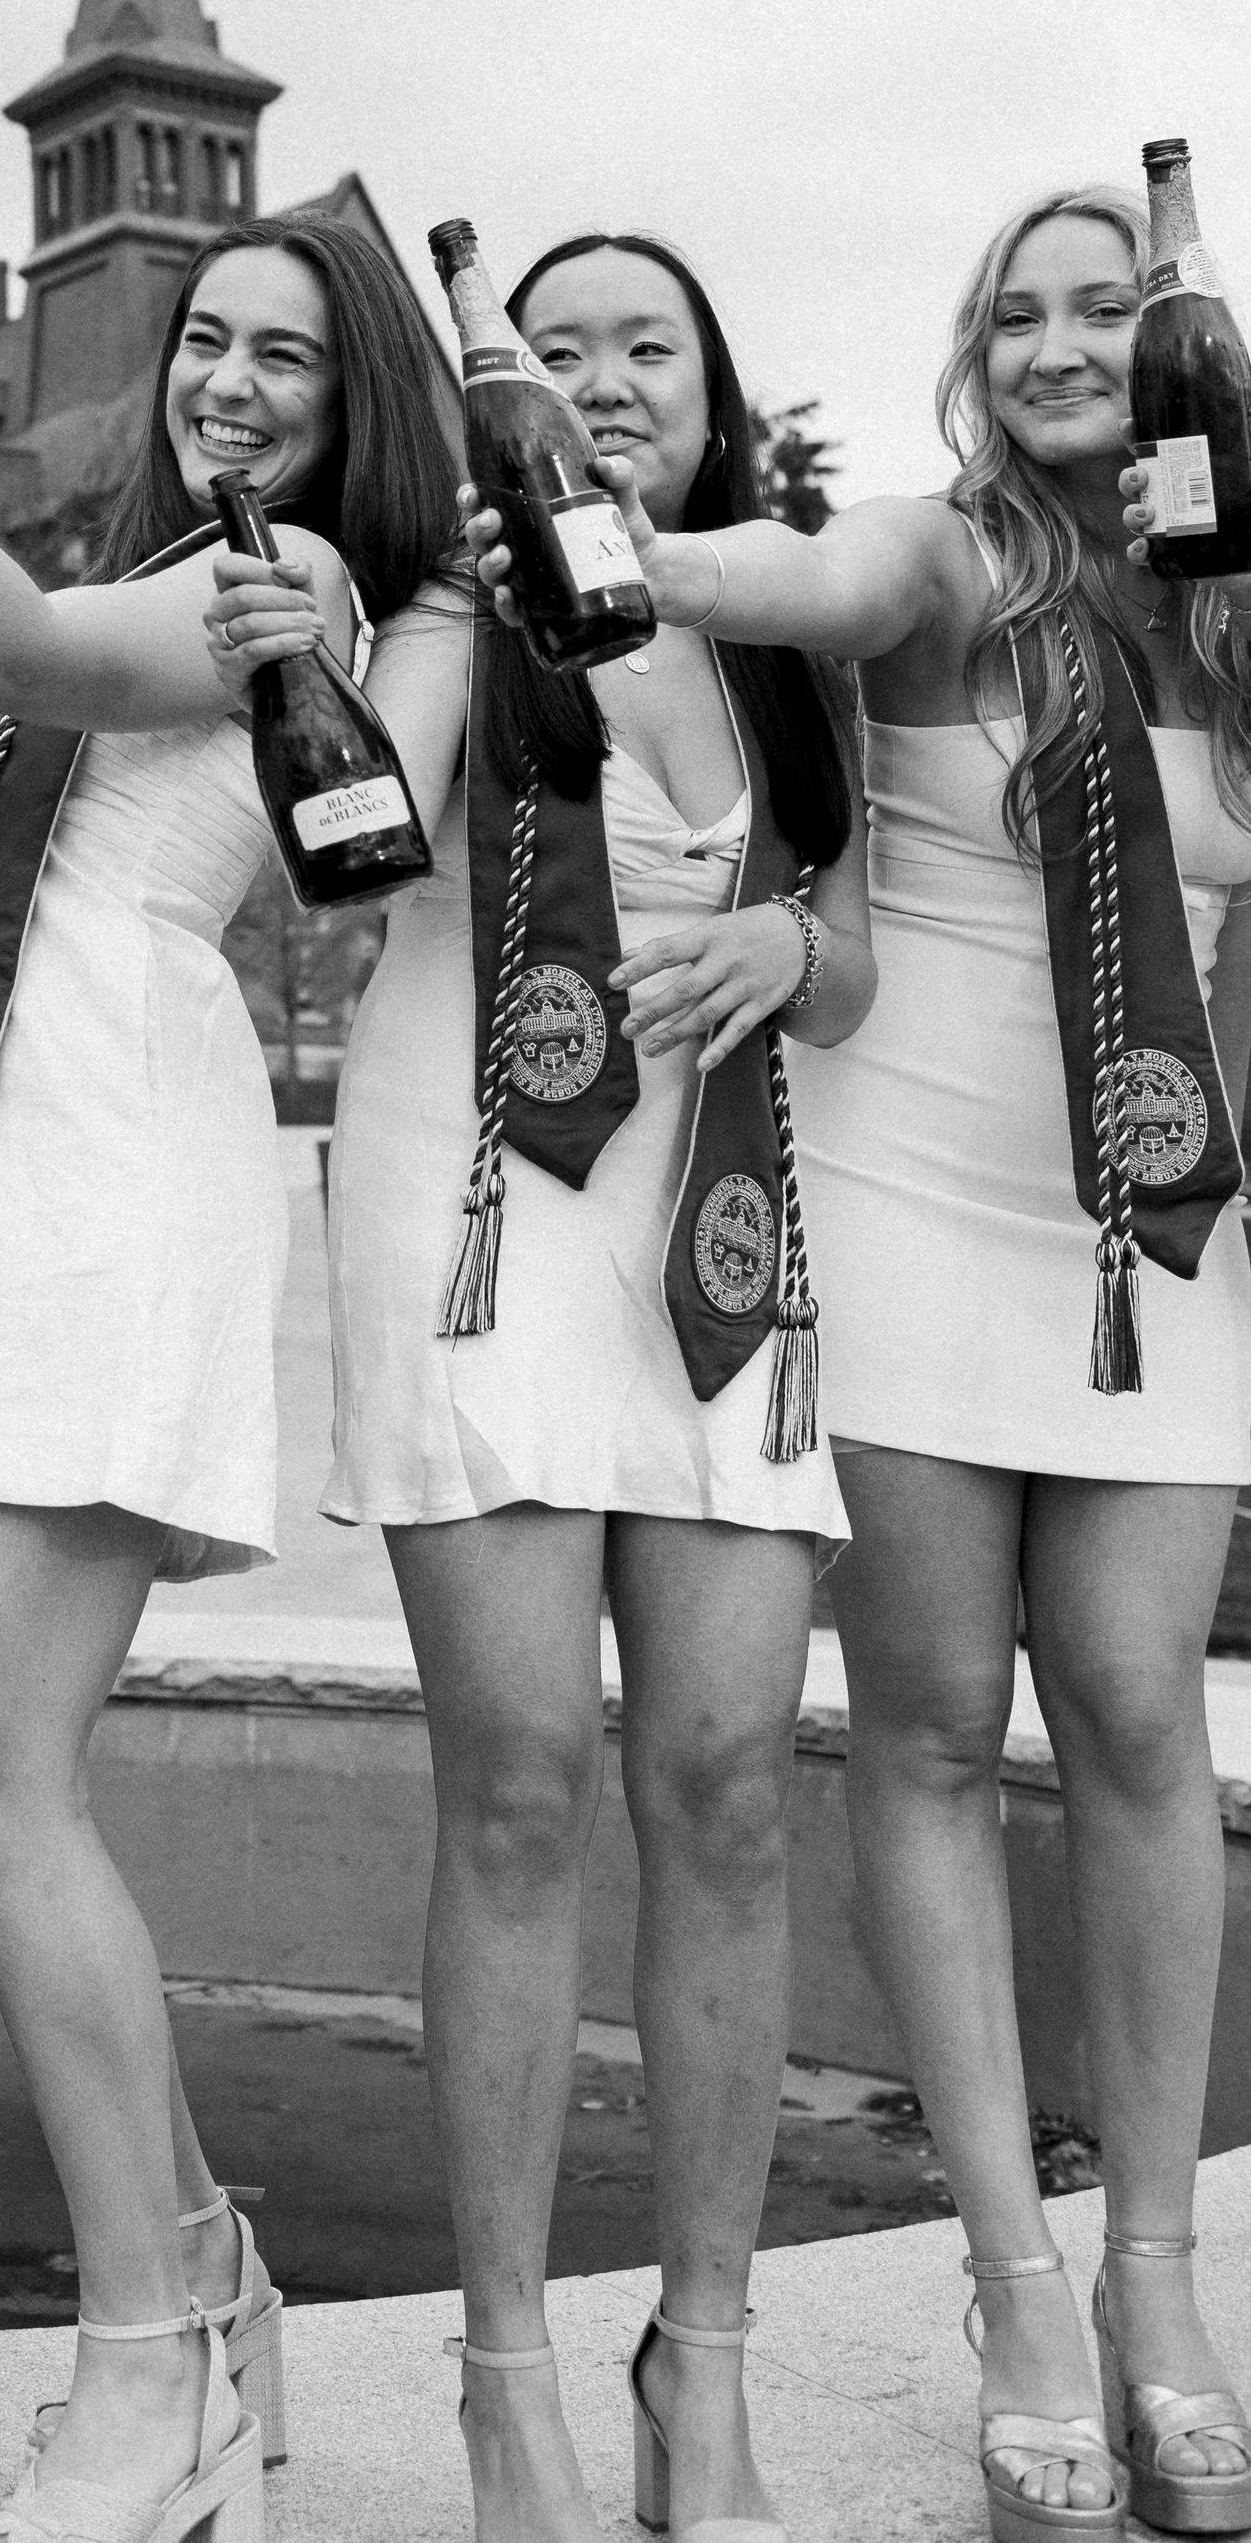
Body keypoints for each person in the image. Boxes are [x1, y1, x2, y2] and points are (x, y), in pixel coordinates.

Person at [471, 186, 1251, 2543]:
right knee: (920, 1733)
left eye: (1098, 307)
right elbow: (768, 582)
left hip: (1148, 1211)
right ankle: (1007, 2276)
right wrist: (599, 533)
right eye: (1006, 312)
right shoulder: (939, 565)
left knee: (1134, 1716)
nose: (1047, 343)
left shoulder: (1229, 606)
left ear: (1176, 339)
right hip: (907, 1194)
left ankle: (1153, 2282)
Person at [0, 197, 452, 2543]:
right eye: (203, 340)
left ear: (353, 400)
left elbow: (13, 640)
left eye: (283, 354)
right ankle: (210, 2285)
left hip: (99, 1182)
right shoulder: (182, 564)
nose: (226, 381)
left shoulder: (278, 597)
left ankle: (139, 2358)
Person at [218, 232, 871, 2543]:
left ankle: (702, 2367)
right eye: (556, 348)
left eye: (644, 348)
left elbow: (851, 938)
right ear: (499, 390)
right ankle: (501, 2379)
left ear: (707, 393)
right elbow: (332, 869)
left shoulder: (784, 641)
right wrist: (378, 638)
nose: (599, 381)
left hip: (713, 1240)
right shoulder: (433, 610)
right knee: (512, 1783)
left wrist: (794, 940)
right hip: (473, 1202)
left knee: (722, 1783)